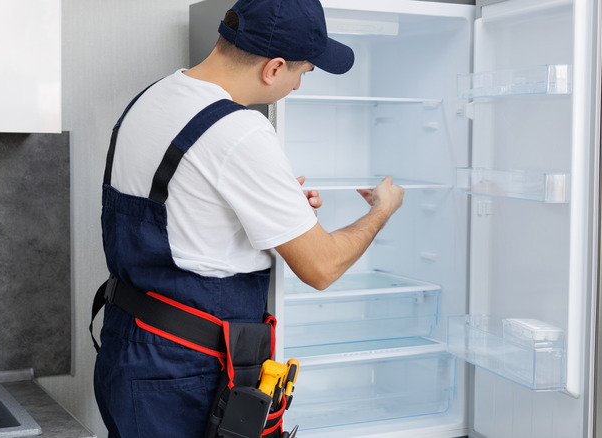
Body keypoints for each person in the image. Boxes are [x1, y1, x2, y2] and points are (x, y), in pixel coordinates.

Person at [92, 0, 405, 436]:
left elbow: (186, 202)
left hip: (127, 348)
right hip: (186, 375)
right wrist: (381, 210)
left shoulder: (155, 96)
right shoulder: (241, 132)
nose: (297, 87)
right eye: (302, 73)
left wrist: (273, 203)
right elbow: (322, 267)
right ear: (274, 68)